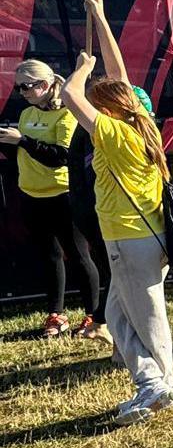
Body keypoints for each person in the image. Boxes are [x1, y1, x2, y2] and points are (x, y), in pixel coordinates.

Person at [60, 0, 173, 425]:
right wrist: (101, 19)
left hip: (130, 240)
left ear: (109, 109)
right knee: (122, 314)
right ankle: (160, 385)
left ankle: (154, 386)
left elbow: (72, 98)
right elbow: (121, 74)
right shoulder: (140, 122)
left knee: (145, 321)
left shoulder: (113, 133)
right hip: (147, 235)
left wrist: (81, 71)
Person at [0, 60, 102, 338]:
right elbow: (23, 155)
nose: (22, 92)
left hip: (63, 195)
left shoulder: (67, 115)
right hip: (31, 194)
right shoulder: (26, 114)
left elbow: (59, 158)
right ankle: (56, 315)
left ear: (45, 85)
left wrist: (21, 141)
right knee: (50, 256)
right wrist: (9, 144)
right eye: (18, 87)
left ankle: (94, 316)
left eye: (27, 86)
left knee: (80, 256)